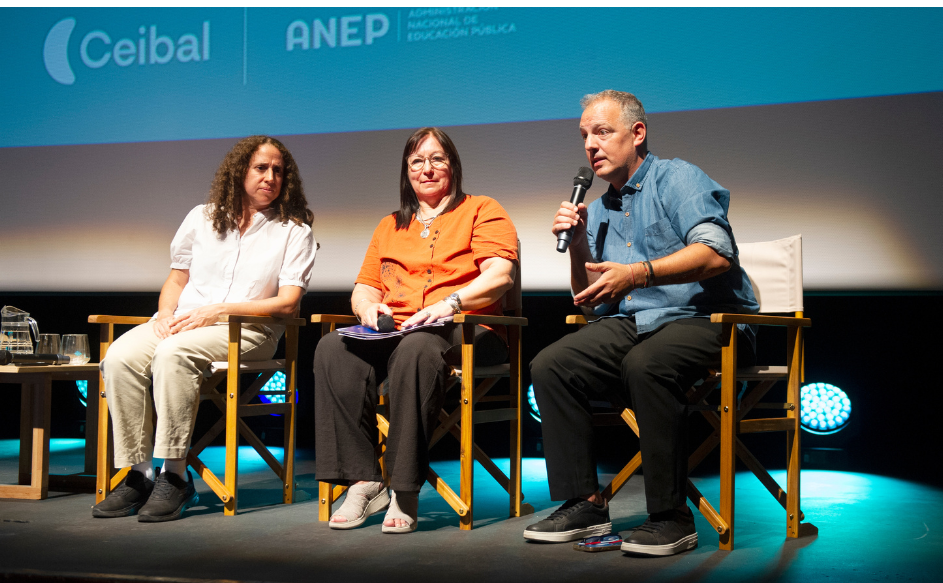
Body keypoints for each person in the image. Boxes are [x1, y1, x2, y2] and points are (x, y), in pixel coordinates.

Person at [523, 91, 758, 555]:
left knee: (646, 364)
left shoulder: (677, 179)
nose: (590, 145)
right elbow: (591, 303)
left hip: (708, 318)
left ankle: (671, 517)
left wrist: (638, 274)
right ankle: (586, 503)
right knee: (552, 364)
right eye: (584, 135)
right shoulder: (597, 210)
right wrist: (577, 244)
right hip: (635, 322)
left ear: (637, 133)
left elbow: (716, 253)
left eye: (602, 132)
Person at [91, 136, 316, 522]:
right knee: (119, 357)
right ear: (239, 172)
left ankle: (175, 476)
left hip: (248, 331)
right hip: (186, 322)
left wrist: (219, 311)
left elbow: (287, 303)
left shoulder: (293, 231)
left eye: (279, 171)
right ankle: (140, 474)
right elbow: (177, 279)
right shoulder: (201, 217)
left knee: (172, 354)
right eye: (261, 168)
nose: (270, 177)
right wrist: (165, 314)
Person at [314, 127, 518, 534]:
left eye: (437, 159)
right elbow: (364, 288)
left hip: (467, 328)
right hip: (399, 331)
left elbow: (500, 276)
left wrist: (449, 304)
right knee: (332, 348)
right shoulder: (389, 225)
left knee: (417, 348)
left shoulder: (482, 209)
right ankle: (363, 479)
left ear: (453, 165)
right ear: (406, 172)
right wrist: (368, 308)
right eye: (417, 162)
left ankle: (405, 487)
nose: (427, 169)